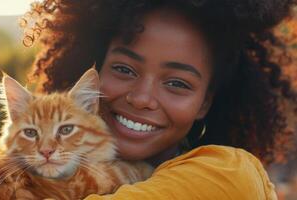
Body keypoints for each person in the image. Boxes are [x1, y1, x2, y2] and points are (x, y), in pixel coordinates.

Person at [21, 0, 297, 199]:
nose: (141, 98)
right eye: (124, 69)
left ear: (205, 103)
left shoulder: (228, 175)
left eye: (177, 83)